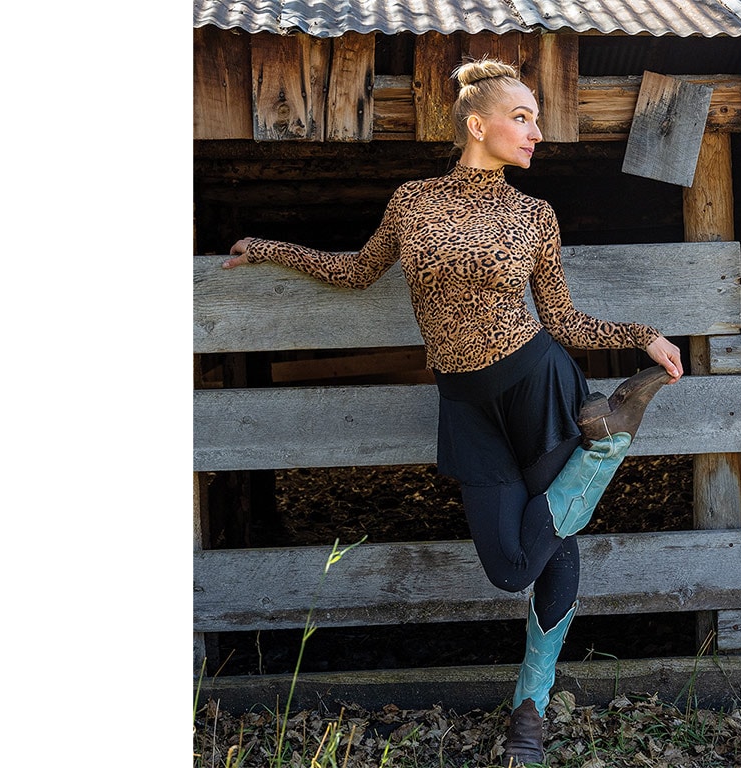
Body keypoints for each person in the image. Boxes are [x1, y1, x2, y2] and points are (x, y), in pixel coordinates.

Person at [223, 58, 684, 767]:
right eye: (523, 117)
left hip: (537, 384)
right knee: (508, 566)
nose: (539, 131)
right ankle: (607, 443)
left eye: (536, 117)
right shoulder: (412, 202)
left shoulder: (534, 214)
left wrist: (642, 335)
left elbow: (561, 320)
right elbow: (355, 271)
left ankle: (529, 710)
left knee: (555, 548)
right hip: (465, 406)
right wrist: (268, 249)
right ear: (479, 124)